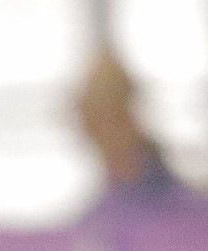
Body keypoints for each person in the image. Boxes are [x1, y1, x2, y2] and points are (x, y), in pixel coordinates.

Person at [74, 48, 182, 205]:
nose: (110, 134)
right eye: (99, 123)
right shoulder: (102, 208)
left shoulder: (174, 198)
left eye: (114, 120)